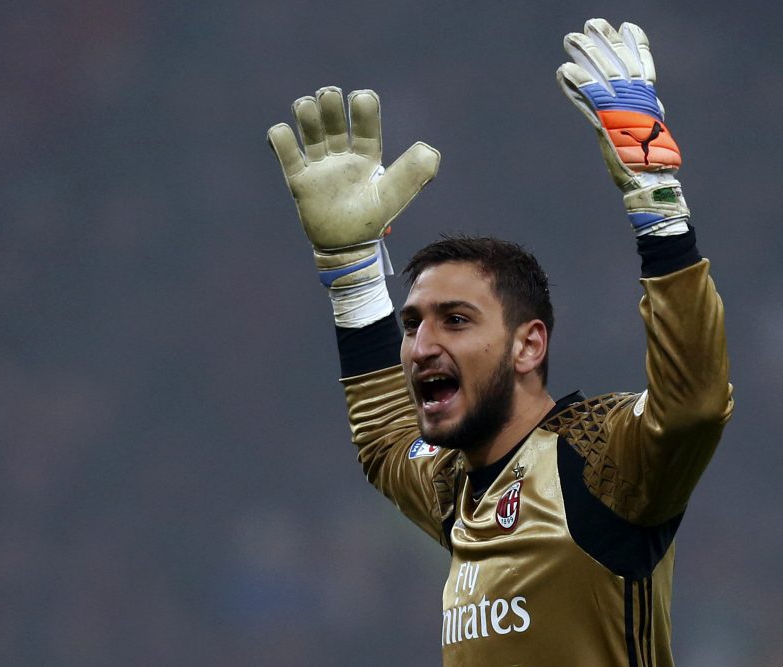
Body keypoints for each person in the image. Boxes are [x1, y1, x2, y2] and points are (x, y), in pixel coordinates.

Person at [266, 18, 733, 666]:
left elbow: (693, 404)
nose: (423, 342)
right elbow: (385, 442)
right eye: (412, 324)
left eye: (455, 319)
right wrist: (351, 272)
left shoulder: (598, 459)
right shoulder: (457, 486)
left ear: (528, 345)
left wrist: (656, 200)